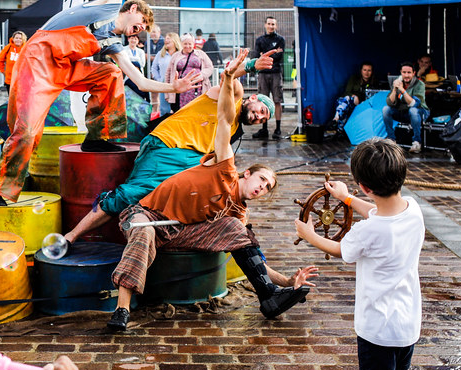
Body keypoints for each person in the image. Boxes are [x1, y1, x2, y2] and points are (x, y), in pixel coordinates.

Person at [0, 0, 202, 206]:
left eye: (141, 31)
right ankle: (1, 192)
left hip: (67, 68)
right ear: (132, 9)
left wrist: (174, 85)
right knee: (28, 130)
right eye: (139, 25)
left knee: (112, 73)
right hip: (40, 60)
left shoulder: (114, 44)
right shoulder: (111, 3)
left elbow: (139, 82)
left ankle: (99, 138)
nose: (137, 32)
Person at [105, 50, 315, 330]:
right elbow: (226, 118)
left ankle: (269, 297)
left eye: (267, 189)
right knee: (142, 232)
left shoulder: (238, 211)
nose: (262, 188)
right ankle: (122, 310)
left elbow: (252, 256)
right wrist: (231, 74)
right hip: (152, 216)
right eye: (262, 180)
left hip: (185, 231)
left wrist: (287, 282)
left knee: (238, 231)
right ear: (248, 172)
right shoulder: (224, 165)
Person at [295, 138, 423, 370]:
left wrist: (309, 234)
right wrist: (348, 198)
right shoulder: (412, 210)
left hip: (378, 327)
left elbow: (341, 249)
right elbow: (378, 210)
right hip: (407, 321)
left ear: (365, 185)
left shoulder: (370, 230)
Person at [64, 52, 277, 246]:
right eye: (261, 111)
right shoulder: (232, 98)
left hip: (192, 159)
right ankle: (72, 236)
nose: (258, 117)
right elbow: (230, 78)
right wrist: (251, 66)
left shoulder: (234, 130)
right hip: (168, 144)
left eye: (263, 119)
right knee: (134, 193)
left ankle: (174, 238)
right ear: (254, 98)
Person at [251, 17, 286, 140]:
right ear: (265, 25)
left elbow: (279, 56)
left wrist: (264, 55)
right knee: (263, 101)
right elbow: (256, 56)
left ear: (276, 26)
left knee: (277, 100)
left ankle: (278, 129)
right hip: (263, 74)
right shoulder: (260, 40)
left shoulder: (280, 39)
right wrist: (272, 53)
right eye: (269, 24)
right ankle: (264, 129)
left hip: (276, 73)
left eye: (273, 24)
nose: (271, 26)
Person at [382, 61, 427, 154]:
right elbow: (390, 102)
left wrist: (402, 90)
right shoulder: (398, 82)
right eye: (404, 72)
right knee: (386, 109)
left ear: (414, 73)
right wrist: (395, 89)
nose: (406, 75)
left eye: (409, 73)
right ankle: (391, 139)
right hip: (403, 112)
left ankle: (417, 142)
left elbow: (414, 103)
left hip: (420, 112)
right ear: (401, 73)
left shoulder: (419, 84)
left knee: (413, 111)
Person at [166, 33, 214, 110]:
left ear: (193, 44)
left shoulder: (201, 54)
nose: (187, 46)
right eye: (185, 44)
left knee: (198, 110)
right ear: (181, 44)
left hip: (198, 88)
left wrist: (202, 75)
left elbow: (210, 67)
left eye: (190, 44)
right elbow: (168, 73)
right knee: (181, 111)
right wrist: (167, 93)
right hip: (180, 89)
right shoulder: (175, 56)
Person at [334, 61, 380, 127]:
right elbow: (346, 92)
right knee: (345, 100)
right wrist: (354, 96)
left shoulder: (375, 82)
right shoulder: (354, 79)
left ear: (372, 72)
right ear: (361, 71)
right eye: (364, 70)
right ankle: (336, 119)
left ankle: (337, 119)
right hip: (351, 102)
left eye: (369, 70)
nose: (366, 73)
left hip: (364, 105)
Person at [149, 32, 181, 117]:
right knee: (164, 110)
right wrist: (159, 79)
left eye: (168, 39)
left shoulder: (180, 54)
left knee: (178, 110)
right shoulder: (160, 54)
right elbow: (154, 68)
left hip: (177, 86)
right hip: (164, 86)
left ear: (174, 41)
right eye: (165, 39)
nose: (165, 40)